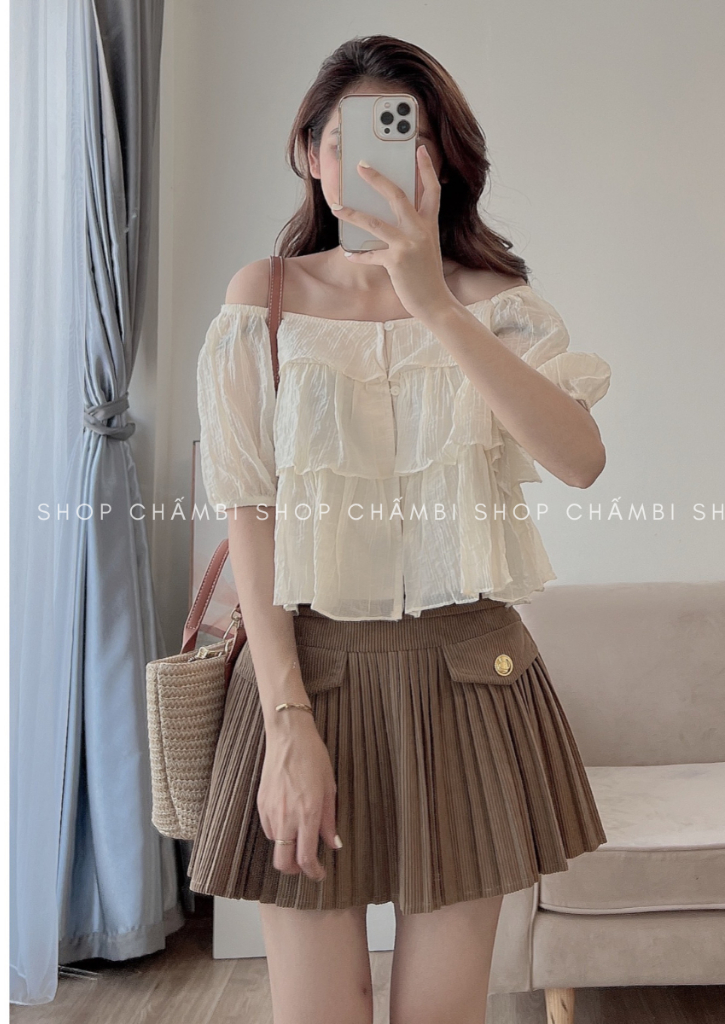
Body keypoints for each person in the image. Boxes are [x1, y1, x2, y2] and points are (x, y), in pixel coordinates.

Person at [188, 35, 611, 1024]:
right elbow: (250, 515)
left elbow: (580, 459)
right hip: (307, 680)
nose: (368, 165)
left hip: (468, 683)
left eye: (399, 138)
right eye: (344, 141)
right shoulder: (263, 302)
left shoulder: (497, 307)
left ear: (439, 159)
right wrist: (287, 724)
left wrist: (432, 303)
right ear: (309, 154)